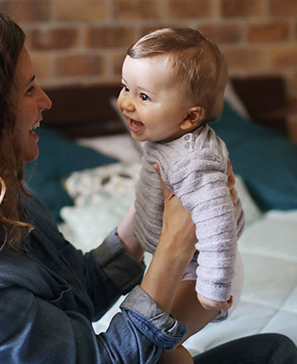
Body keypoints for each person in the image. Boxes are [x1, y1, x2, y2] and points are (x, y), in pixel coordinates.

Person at [0, 6, 297, 363]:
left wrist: (148, 214)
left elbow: (79, 291)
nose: (46, 101)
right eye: (28, 90)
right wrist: (174, 244)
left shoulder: (1, 200)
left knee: (272, 352)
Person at [117, 28, 245, 363]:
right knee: (148, 341)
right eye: (125, 87)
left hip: (205, 269)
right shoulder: (165, 138)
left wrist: (212, 289)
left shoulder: (196, 159)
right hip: (181, 264)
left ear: (190, 117)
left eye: (144, 97)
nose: (126, 102)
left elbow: (219, 224)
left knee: (158, 344)